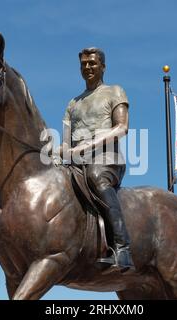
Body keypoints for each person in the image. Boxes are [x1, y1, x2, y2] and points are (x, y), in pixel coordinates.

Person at [59, 47, 134, 271]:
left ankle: (122, 248)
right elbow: (65, 141)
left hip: (107, 158)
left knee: (95, 176)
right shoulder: (73, 103)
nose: (87, 67)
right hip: (77, 161)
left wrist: (89, 144)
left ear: (103, 66)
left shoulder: (115, 91)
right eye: (83, 64)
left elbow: (122, 127)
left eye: (92, 63)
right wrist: (58, 152)